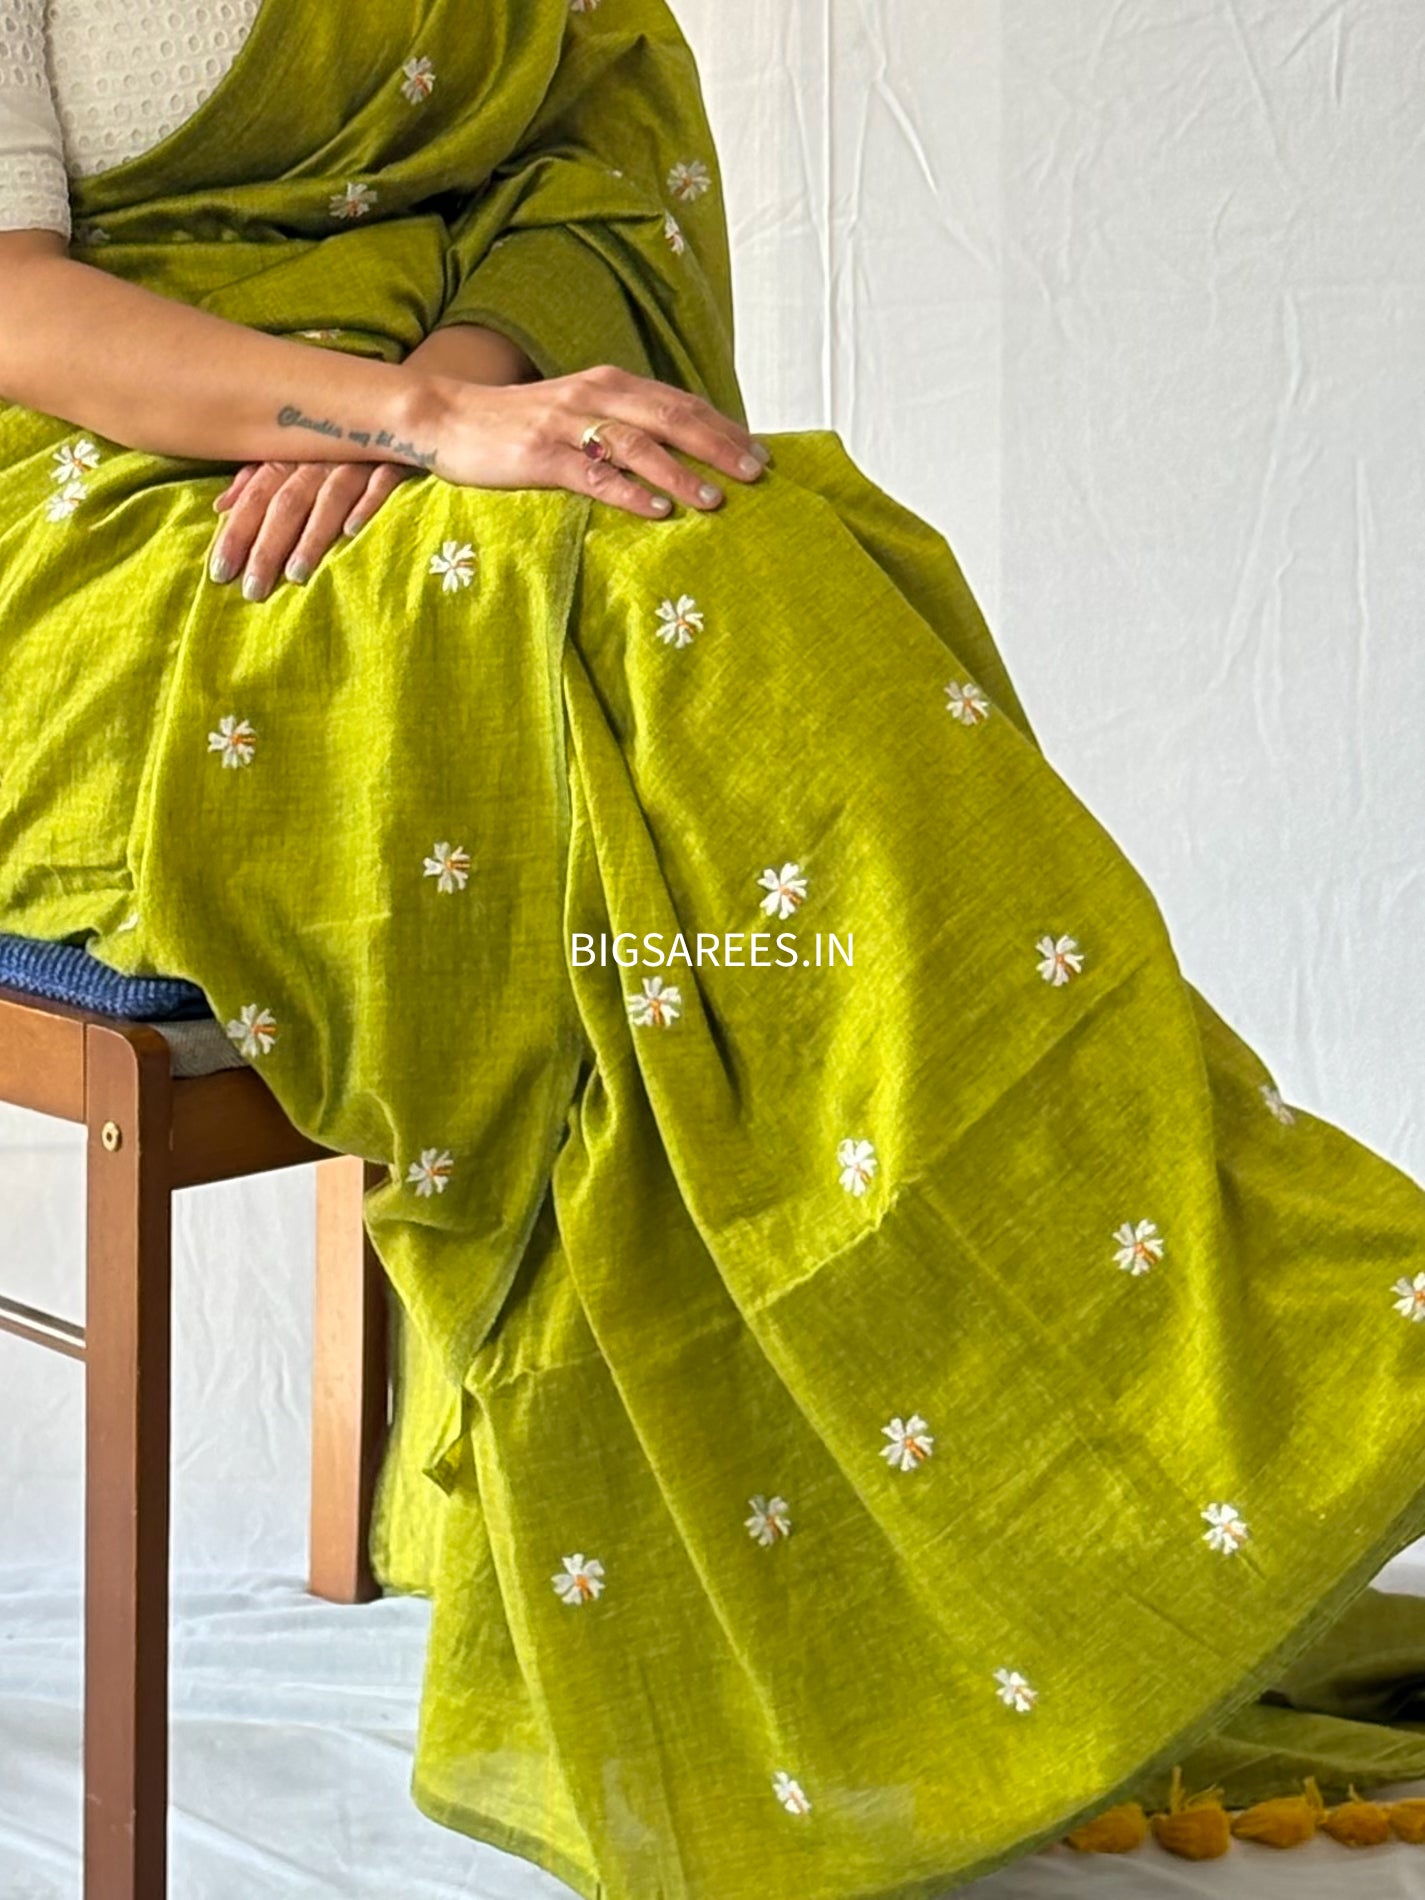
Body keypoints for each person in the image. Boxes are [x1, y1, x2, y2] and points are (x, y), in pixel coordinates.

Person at [5, 1, 1425, 1894]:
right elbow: (9, 302)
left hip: (417, 434)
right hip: (84, 514)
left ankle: (1122, 1409)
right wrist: (402, 421)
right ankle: (1258, 1365)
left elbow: (579, 175)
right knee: (683, 603)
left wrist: (464, 394)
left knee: (744, 539)